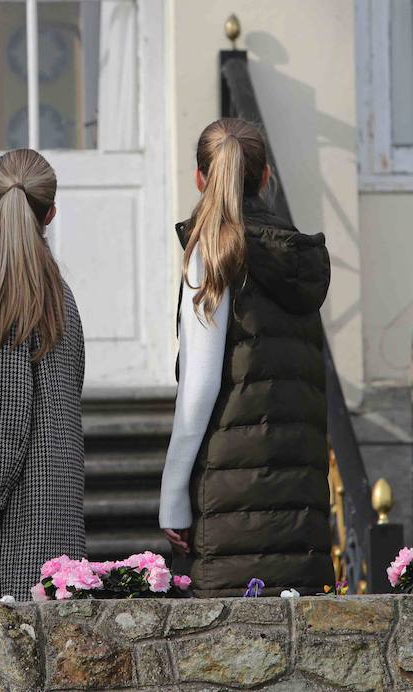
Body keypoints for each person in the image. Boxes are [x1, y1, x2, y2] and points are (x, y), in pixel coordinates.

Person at [159, 118, 335, 596]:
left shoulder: (212, 251)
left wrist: (173, 495)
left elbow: (199, 387)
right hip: (301, 506)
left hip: (228, 503)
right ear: (265, 176)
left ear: (200, 178)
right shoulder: (295, 257)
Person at [0, 149, 86, 601]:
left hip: (11, 532)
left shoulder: (1, 293)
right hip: (57, 518)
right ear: (51, 213)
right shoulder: (58, 295)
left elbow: (3, 413)